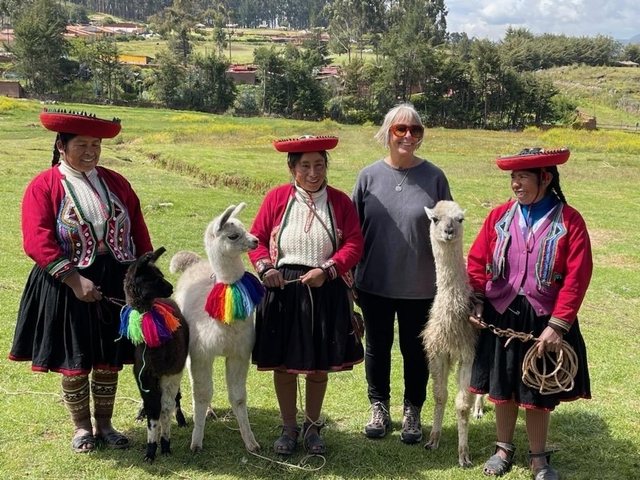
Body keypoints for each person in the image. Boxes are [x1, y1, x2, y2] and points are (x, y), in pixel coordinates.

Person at [9, 109, 153, 453]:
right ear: (61, 146)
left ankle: (105, 425)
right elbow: (37, 239)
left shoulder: (115, 182)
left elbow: (137, 227)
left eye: (96, 144)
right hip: (66, 282)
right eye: (81, 145)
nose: (90, 151)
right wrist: (74, 280)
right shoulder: (44, 185)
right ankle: (81, 428)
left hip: (114, 278)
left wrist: (143, 272)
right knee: (75, 358)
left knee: (108, 354)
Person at [467, 148, 592, 479]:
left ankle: (539, 457)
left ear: (545, 178)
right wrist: (478, 299)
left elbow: (578, 276)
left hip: (543, 319)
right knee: (503, 385)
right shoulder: (498, 217)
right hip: (502, 315)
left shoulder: (570, 221)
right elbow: (478, 261)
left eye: (522, 177)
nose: (515, 184)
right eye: (513, 177)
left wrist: (558, 325)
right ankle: (503, 448)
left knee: (538, 390)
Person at [249, 135, 364, 456]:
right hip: (282, 288)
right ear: (292, 168)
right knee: (284, 365)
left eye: (319, 165)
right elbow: (256, 238)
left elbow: (354, 243)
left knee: (318, 365)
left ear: (327, 166)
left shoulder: (340, 202)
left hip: (324, 288)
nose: (313, 173)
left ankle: (313, 427)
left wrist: (328, 270)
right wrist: (265, 268)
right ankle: (289, 426)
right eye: (305, 166)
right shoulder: (276, 199)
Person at [352, 103, 453, 444]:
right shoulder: (368, 176)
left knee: (416, 350)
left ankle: (413, 411)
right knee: (377, 348)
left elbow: (449, 228)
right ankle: (378, 407)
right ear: (387, 133)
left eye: (416, 130)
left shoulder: (435, 177)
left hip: (421, 285)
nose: (408, 135)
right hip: (373, 283)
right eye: (401, 129)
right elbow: (352, 231)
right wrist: (349, 275)